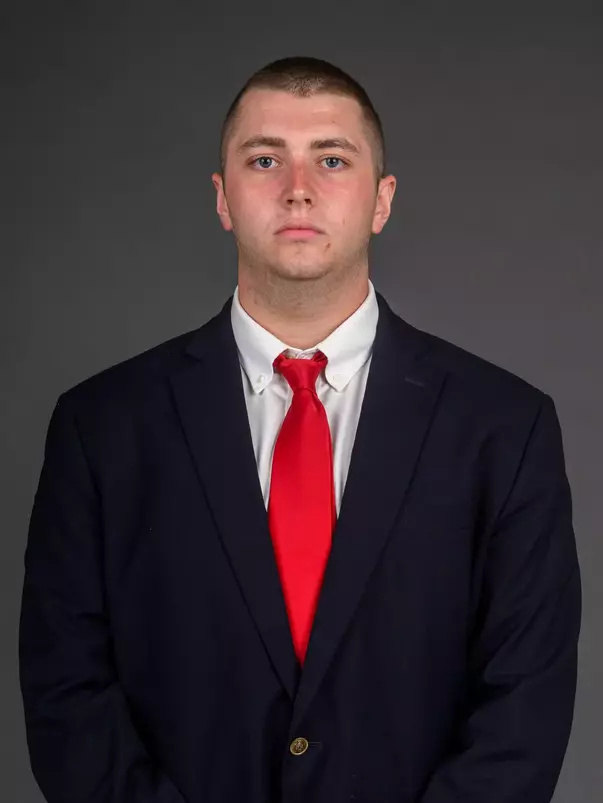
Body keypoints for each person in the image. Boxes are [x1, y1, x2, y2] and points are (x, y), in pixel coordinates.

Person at [19, 56, 581, 803]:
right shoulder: (101, 428)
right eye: (263, 159)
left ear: (382, 200)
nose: (298, 188)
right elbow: (67, 694)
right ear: (221, 198)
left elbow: (524, 709)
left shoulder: (505, 428)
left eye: (332, 158)